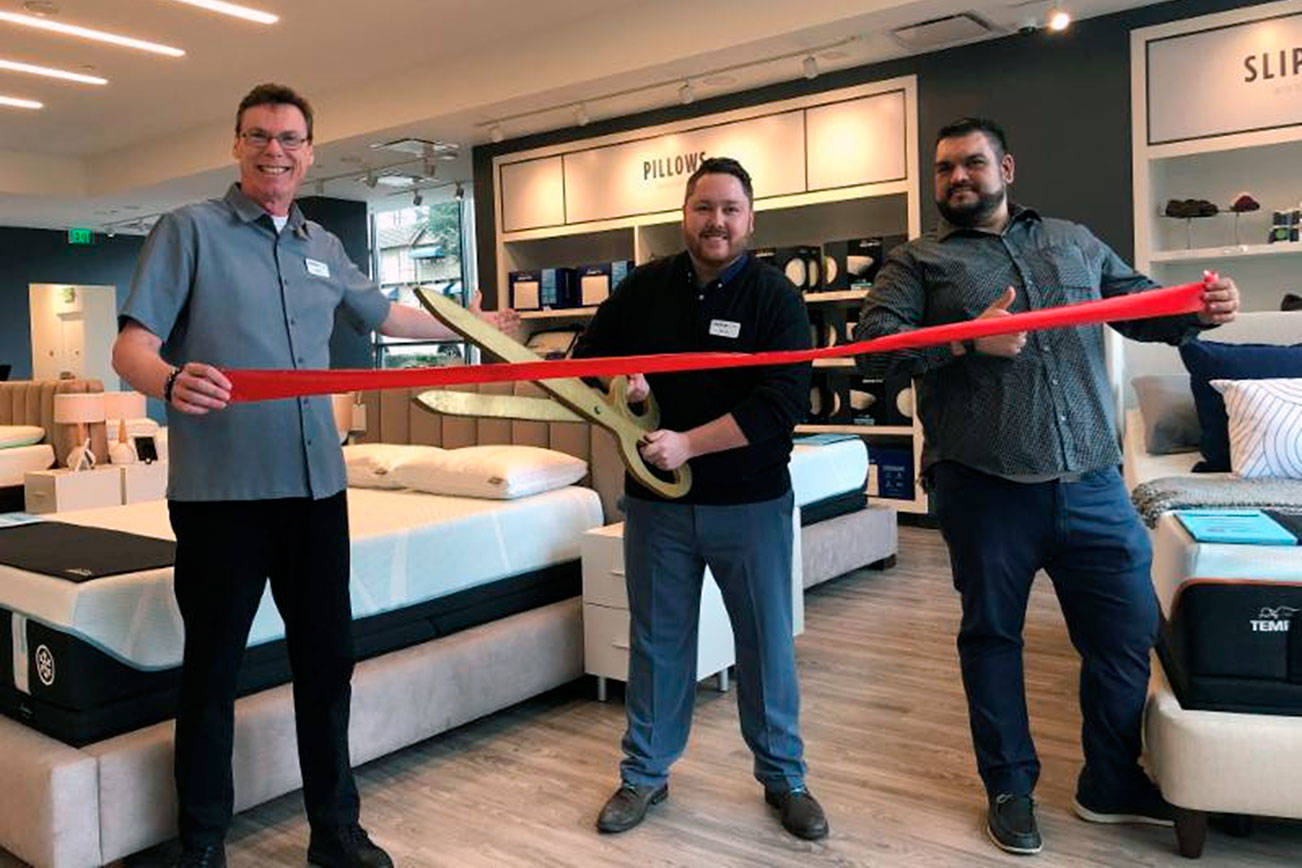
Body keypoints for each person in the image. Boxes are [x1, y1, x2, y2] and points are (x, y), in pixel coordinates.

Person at [112, 83, 517, 868]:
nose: (276, 151)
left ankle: (334, 831)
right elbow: (132, 345)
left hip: (316, 495)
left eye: (291, 139)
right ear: (236, 144)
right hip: (222, 499)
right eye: (260, 136)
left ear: (308, 152)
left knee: (328, 667)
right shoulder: (187, 231)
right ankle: (202, 843)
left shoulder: (322, 247)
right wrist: (165, 381)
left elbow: (388, 317)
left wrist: (475, 328)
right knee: (212, 675)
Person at [854, 117, 1239, 856]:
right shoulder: (917, 261)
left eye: (971, 164)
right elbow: (875, 354)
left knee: (1126, 636)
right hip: (985, 488)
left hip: (1092, 481)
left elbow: (1143, 306)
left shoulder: (1073, 239)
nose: (957, 179)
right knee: (993, 638)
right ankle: (1009, 787)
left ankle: (1109, 783)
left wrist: (1197, 309)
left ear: (1007, 165)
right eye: (943, 170)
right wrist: (968, 337)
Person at [572, 156, 827, 841]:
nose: (716, 222)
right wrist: (618, 384)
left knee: (766, 644)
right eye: (703, 208)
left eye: (729, 209)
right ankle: (644, 776)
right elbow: (582, 360)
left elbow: (782, 404)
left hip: (750, 504)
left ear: (750, 219)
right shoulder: (643, 289)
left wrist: (687, 445)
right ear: (684, 215)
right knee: (658, 645)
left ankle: (785, 778)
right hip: (657, 507)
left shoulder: (775, 298)